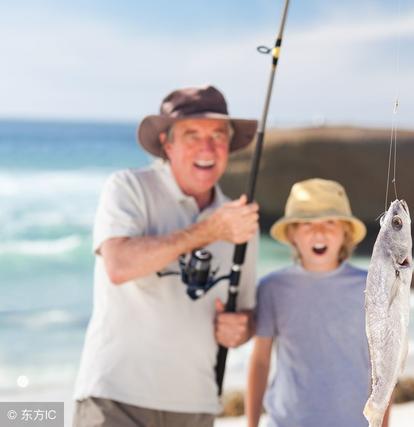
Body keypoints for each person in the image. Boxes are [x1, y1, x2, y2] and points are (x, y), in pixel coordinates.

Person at [73, 86, 260, 427]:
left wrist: (241, 329)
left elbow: (244, 315)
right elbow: (118, 265)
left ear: (229, 147)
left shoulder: (241, 221)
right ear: (166, 144)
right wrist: (208, 231)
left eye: (218, 136)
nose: (207, 147)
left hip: (197, 405)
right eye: (192, 135)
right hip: (115, 399)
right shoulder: (128, 187)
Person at [246, 178, 391, 427]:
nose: (319, 232)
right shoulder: (272, 287)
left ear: (346, 232)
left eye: (330, 222)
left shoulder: (370, 288)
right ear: (292, 234)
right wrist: (251, 424)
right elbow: (260, 360)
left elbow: (382, 370)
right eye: (306, 224)